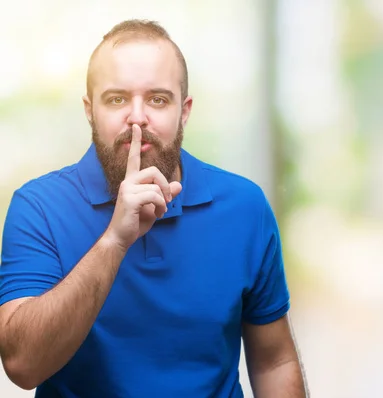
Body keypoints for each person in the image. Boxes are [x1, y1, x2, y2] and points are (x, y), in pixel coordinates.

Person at [0, 19, 307, 397]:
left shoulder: (245, 207)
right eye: (116, 99)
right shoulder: (38, 208)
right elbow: (22, 366)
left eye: (158, 99)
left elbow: (273, 361)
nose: (137, 117)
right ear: (89, 110)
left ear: (185, 111)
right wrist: (114, 240)